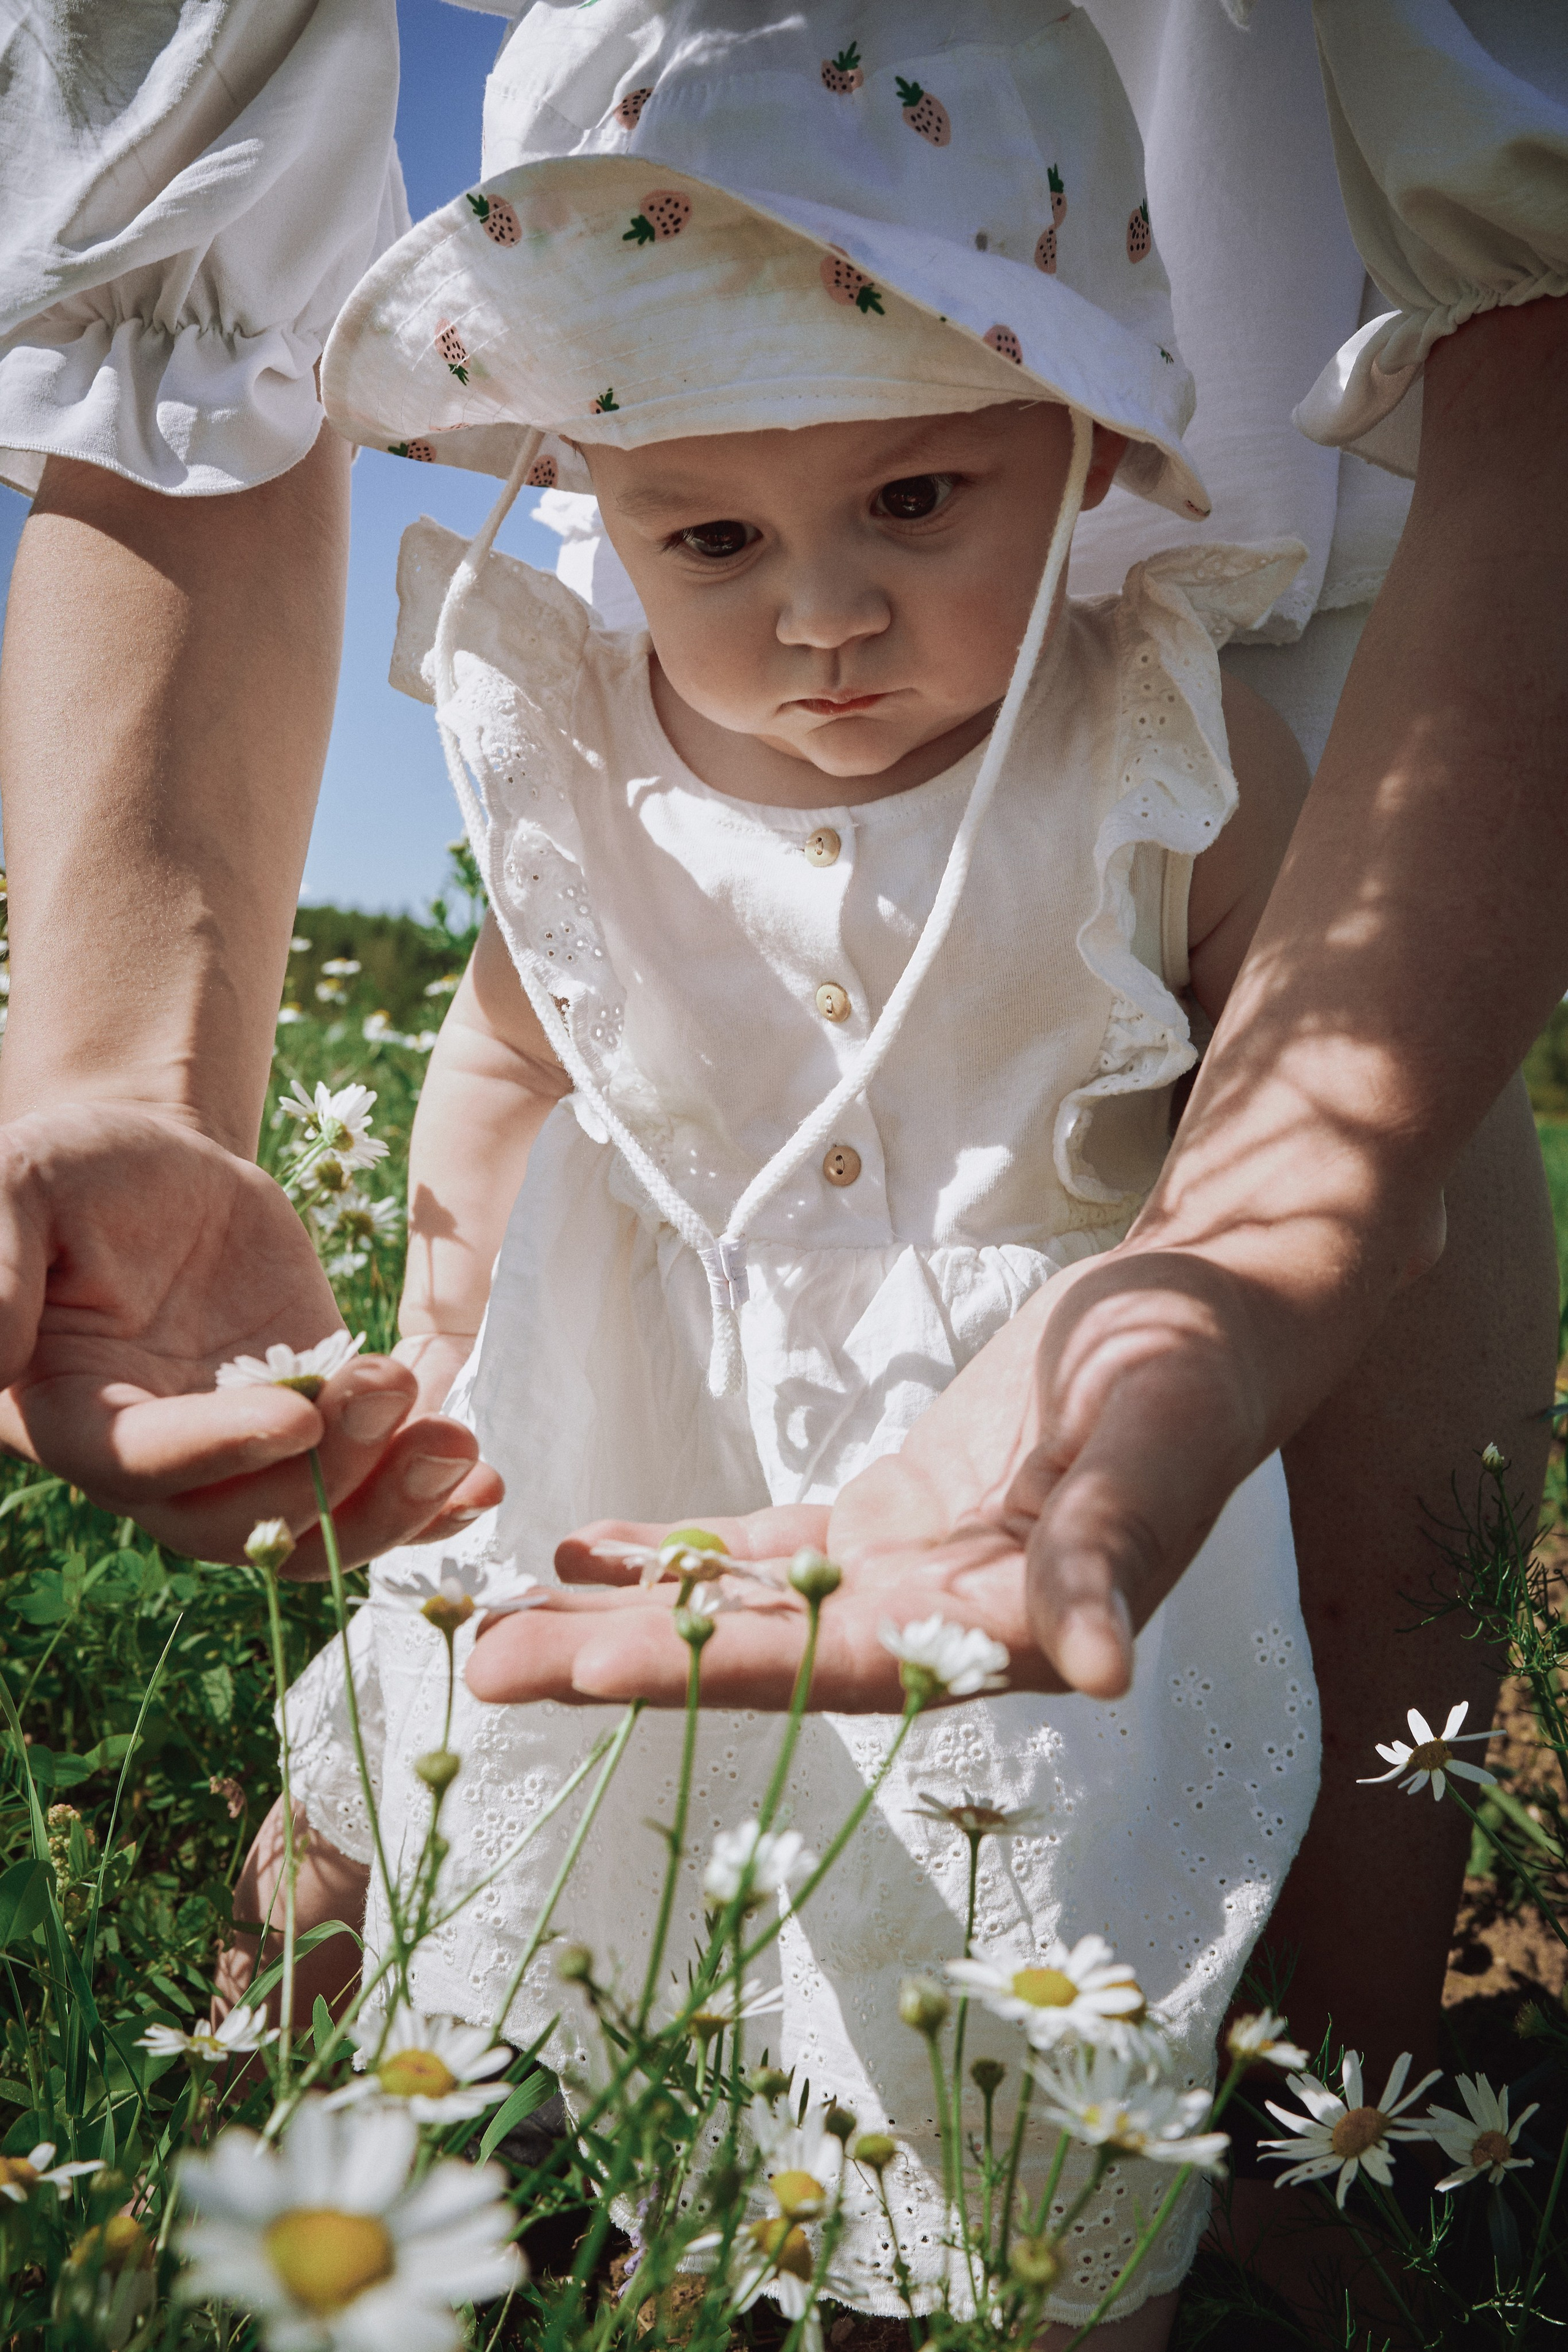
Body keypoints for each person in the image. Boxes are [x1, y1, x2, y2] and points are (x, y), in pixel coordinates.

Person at [257, 10, 1332, 2340]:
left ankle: (990, 2282)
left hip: (1025, 1451)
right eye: (713, 537)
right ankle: (424, 2185)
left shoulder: (1166, 733)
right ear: (599, 496)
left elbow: (1292, 1080)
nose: (818, 613)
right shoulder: (581, 754)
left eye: (916, 503)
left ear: (1082, 440)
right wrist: (438, 1330)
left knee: (996, 1988)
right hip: (628, 1414)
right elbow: (502, 1048)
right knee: (488, 1849)